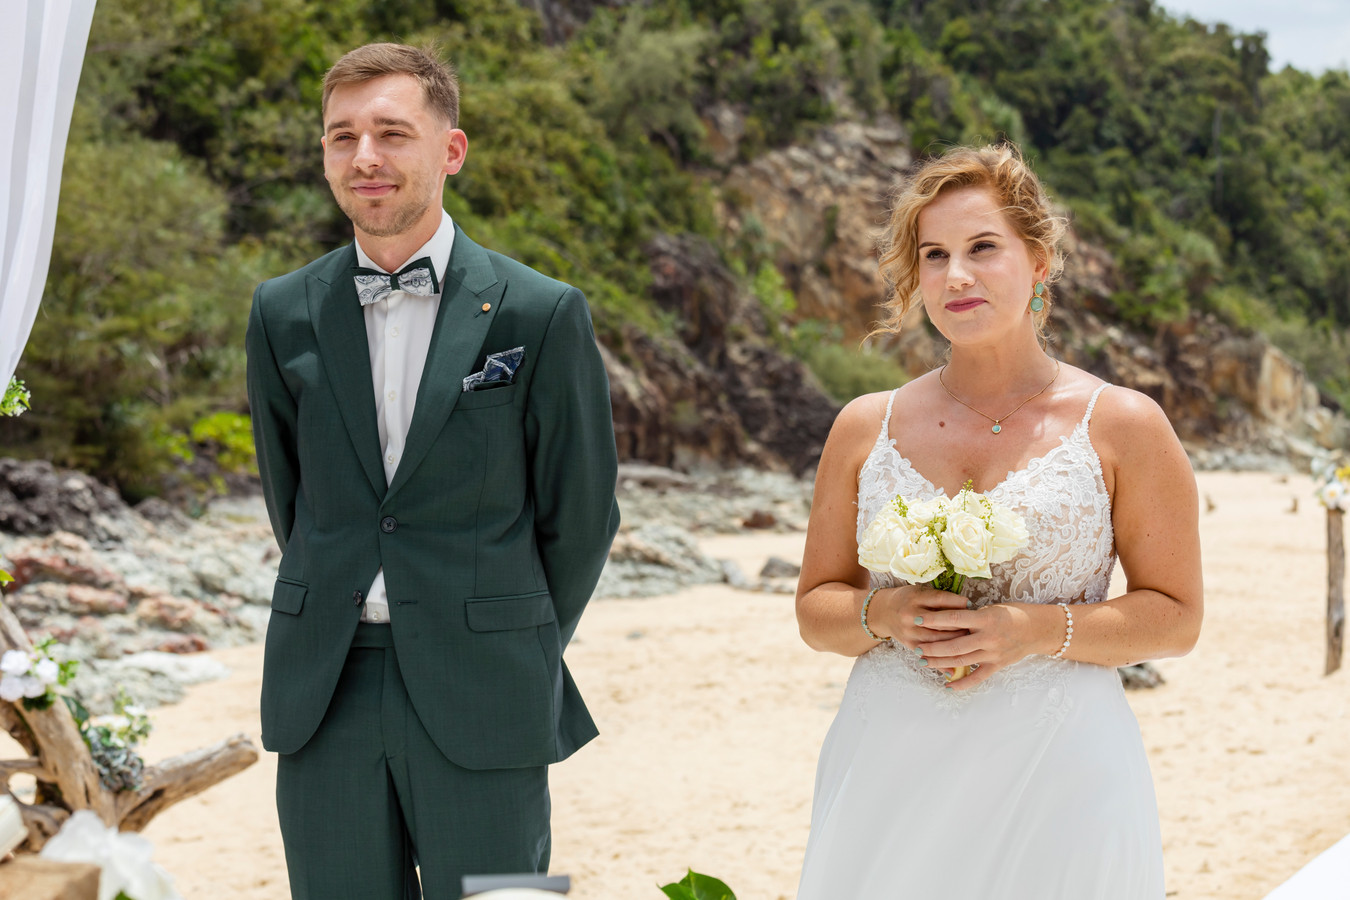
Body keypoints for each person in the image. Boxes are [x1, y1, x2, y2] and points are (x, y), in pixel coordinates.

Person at [245, 43, 620, 900]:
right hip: (323, 687)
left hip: (484, 688)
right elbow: (292, 500)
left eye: (391, 133)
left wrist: (504, 638)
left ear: (449, 150)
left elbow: (583, 516)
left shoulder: (542, 310)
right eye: (342, 137)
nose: (365, 157)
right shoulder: (279, 311)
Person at [794, 143, 1202, 898]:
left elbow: (1175, 619)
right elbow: (818, 610)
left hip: (1060, 772)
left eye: (984, 247)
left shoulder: (1123, 425)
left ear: (1039, 260)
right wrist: (882, 612)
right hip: (890, 767)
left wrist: (1034, 630)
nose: (957, 275)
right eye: (935, 254)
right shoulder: (863, 426)